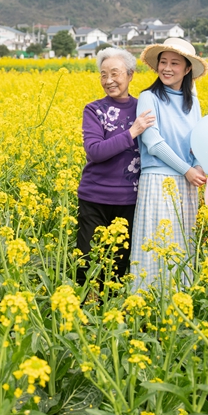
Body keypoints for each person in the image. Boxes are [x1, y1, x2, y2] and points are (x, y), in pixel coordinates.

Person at [131, 38, 208, 287]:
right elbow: (152, 142)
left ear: (187, 69)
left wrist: (198, 167)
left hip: (187, 183)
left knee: (183, 249)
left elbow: (198, 141)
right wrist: (187, 169)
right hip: (158, 181)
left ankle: (180, 301)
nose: (166, 68)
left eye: (174, 63)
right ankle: (146, 302)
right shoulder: (149, 97)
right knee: (155, 246)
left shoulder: (193, 103)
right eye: (163, 62)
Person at [76, 47, 155, 286]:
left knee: (119, 267)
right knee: (86, 264)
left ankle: (111, 307)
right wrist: (132, 132)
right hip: (94, 198)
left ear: (130, 75)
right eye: (103, 75)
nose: (108, 80)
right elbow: (95, 151)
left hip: (129, 200)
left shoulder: (143, 109)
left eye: (114, 73)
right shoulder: (94, 109)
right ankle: (85, 306)